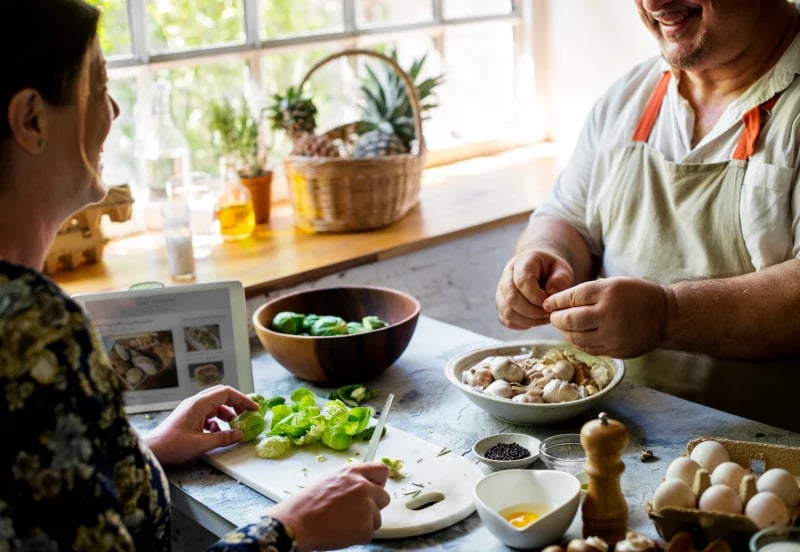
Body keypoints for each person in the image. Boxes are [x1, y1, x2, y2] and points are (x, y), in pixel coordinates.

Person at [0, 1, 389, 550]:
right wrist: (291, 529)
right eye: (98, 85)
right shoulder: (32, 327)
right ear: (32, 120)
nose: (113, 112)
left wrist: (143, 450)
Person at [496, 0, 800, 430]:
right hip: (614, 437)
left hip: (768, 459)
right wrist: (546, 253)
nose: (654, 4)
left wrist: (667, 315)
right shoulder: (629, 95)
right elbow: (568, 215)